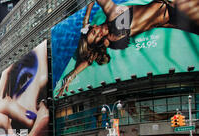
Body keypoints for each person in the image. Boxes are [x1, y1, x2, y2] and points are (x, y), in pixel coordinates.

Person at [56, 0, 199, 97]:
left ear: (94, 26)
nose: (99, 34)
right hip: (170, 21)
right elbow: (88, 60)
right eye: (96, 39)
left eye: (94, 32)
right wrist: (72, 75)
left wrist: (85, 19)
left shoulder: (111, 12)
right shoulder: (107, 41)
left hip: (170, 5)